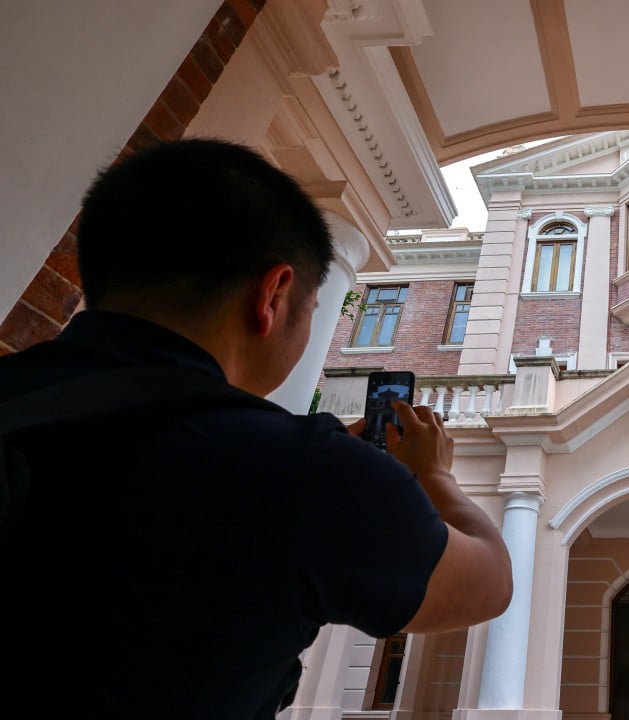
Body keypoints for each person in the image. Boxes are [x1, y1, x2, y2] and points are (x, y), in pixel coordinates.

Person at [0, 138, 513, 718]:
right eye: (316, 307)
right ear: (272, 295)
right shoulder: (312, 475)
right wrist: (432, 474)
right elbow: (489, 582)